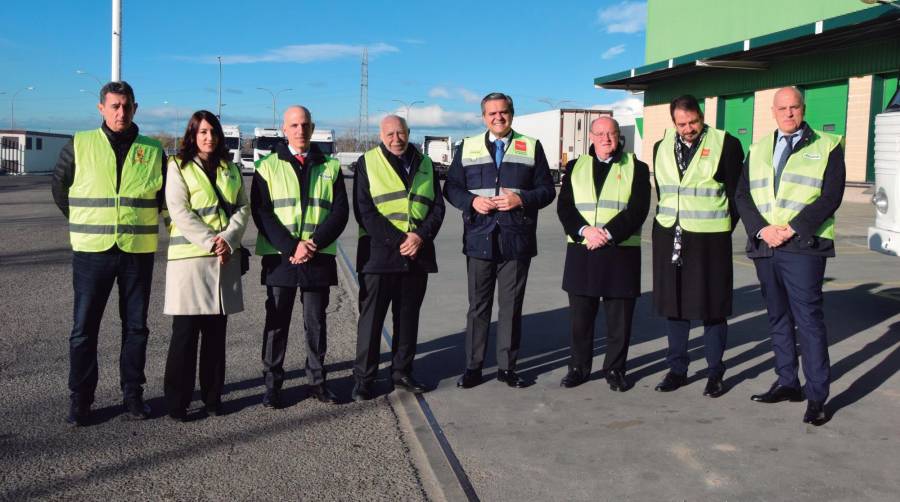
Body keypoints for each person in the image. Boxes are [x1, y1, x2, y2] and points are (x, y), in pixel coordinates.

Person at [51, 81, 165, 425]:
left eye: (126, 106)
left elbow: (162, 198)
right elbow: (60, 187)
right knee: (84, 329)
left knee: (136, 328)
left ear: (135, 108)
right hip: (92, 252)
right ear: (101, 108)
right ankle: (81, 400)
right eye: (114, 106)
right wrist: (85, 219)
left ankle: (133, 395)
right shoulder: (80, 143)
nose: (121, 112)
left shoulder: (153, 150)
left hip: (136, 251)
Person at [736, 86, 845, 425]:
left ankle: (816, 397)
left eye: (794, 107)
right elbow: (743, 195)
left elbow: (831, 196)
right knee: (778, 318)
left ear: (803, 108)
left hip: (803, 247)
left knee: (809, 321)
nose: (789, 114)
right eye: (782, 108)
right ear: (773, 111)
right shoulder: (757, 149)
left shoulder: (828, 146)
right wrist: (761, 229)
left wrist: (793, 227)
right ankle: (787, 382)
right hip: (766, 244)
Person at [443, 92, 556, 389]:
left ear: (512, 113)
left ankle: (507, 368)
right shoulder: (467, 147)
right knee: (478, 306)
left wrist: (522, 199)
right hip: (479, 237)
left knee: (510, 306)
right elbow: (451, 187)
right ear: (483, 117)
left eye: (503, 112)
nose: (498, 117)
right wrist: (470, 202)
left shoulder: (531, 146)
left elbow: (547, 189)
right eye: (492, 113)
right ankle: (474, 367)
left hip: (516, 240)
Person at [251, 105, 349, 408]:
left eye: (305, 125)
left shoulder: (330, 167)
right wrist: (292, 246)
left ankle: (317, 382)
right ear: (284, 129)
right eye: (294, 125)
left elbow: (340, 212)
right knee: (277, 322)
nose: (300, 130)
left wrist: (313, 243)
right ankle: (272, 385)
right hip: (282, 257)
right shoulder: (266, 166)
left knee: (316, 323)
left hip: (317, 257)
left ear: (313, 126)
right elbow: (262, 212)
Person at [651, 94, 744, 398]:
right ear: (673, 122)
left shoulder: (726, 144)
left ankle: (715, 372)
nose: (689, 128)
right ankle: (677, 369)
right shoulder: (660, 146)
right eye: (682, 123)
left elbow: (738, 195)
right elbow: (664, 191)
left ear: (702, 116)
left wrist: (723, 227)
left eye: (693, 122)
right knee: (674, 307)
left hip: (710, 238)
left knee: (712, 307)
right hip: (670, 236)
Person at [162, 110, 249, 421]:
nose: (208, 137)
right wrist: (213, 241)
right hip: (191, 261)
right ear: (192, 135)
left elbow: (242, 207)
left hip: (223, 262)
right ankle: (177, 402)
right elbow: (179, 211)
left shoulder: (231, 169)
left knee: (216, 335)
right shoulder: (178, 167)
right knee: (184, 335)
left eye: (212, 131)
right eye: (202, 132)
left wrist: (228, 238)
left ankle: (213, 397)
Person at [351, 115, 445, 401]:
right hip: (379, 257)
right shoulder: (368, 163)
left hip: (417, 254)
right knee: (372, 321)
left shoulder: (425, 163)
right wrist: (401, 240)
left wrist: (419, 237)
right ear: (381, 135)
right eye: (390, 133)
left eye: (401, 132)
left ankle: (402, 371)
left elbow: (437, 208)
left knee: (407, 318)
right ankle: (364, 379)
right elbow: (364, 211)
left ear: (408, 132)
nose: (396, 138)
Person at [556, 117, 650, 391]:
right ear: (591, 137)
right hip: (582, 250)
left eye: (611, 134)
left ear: (619, 136)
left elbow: (638, 209)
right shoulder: (575, 167)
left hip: (619, 252)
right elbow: (565, 208)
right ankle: (578, 368)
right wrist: (586, 231)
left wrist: (607, 233)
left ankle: (615, 369)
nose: (606, 139)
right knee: (580, 320)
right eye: (600, 134)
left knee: (619, 321)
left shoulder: (637, 167)